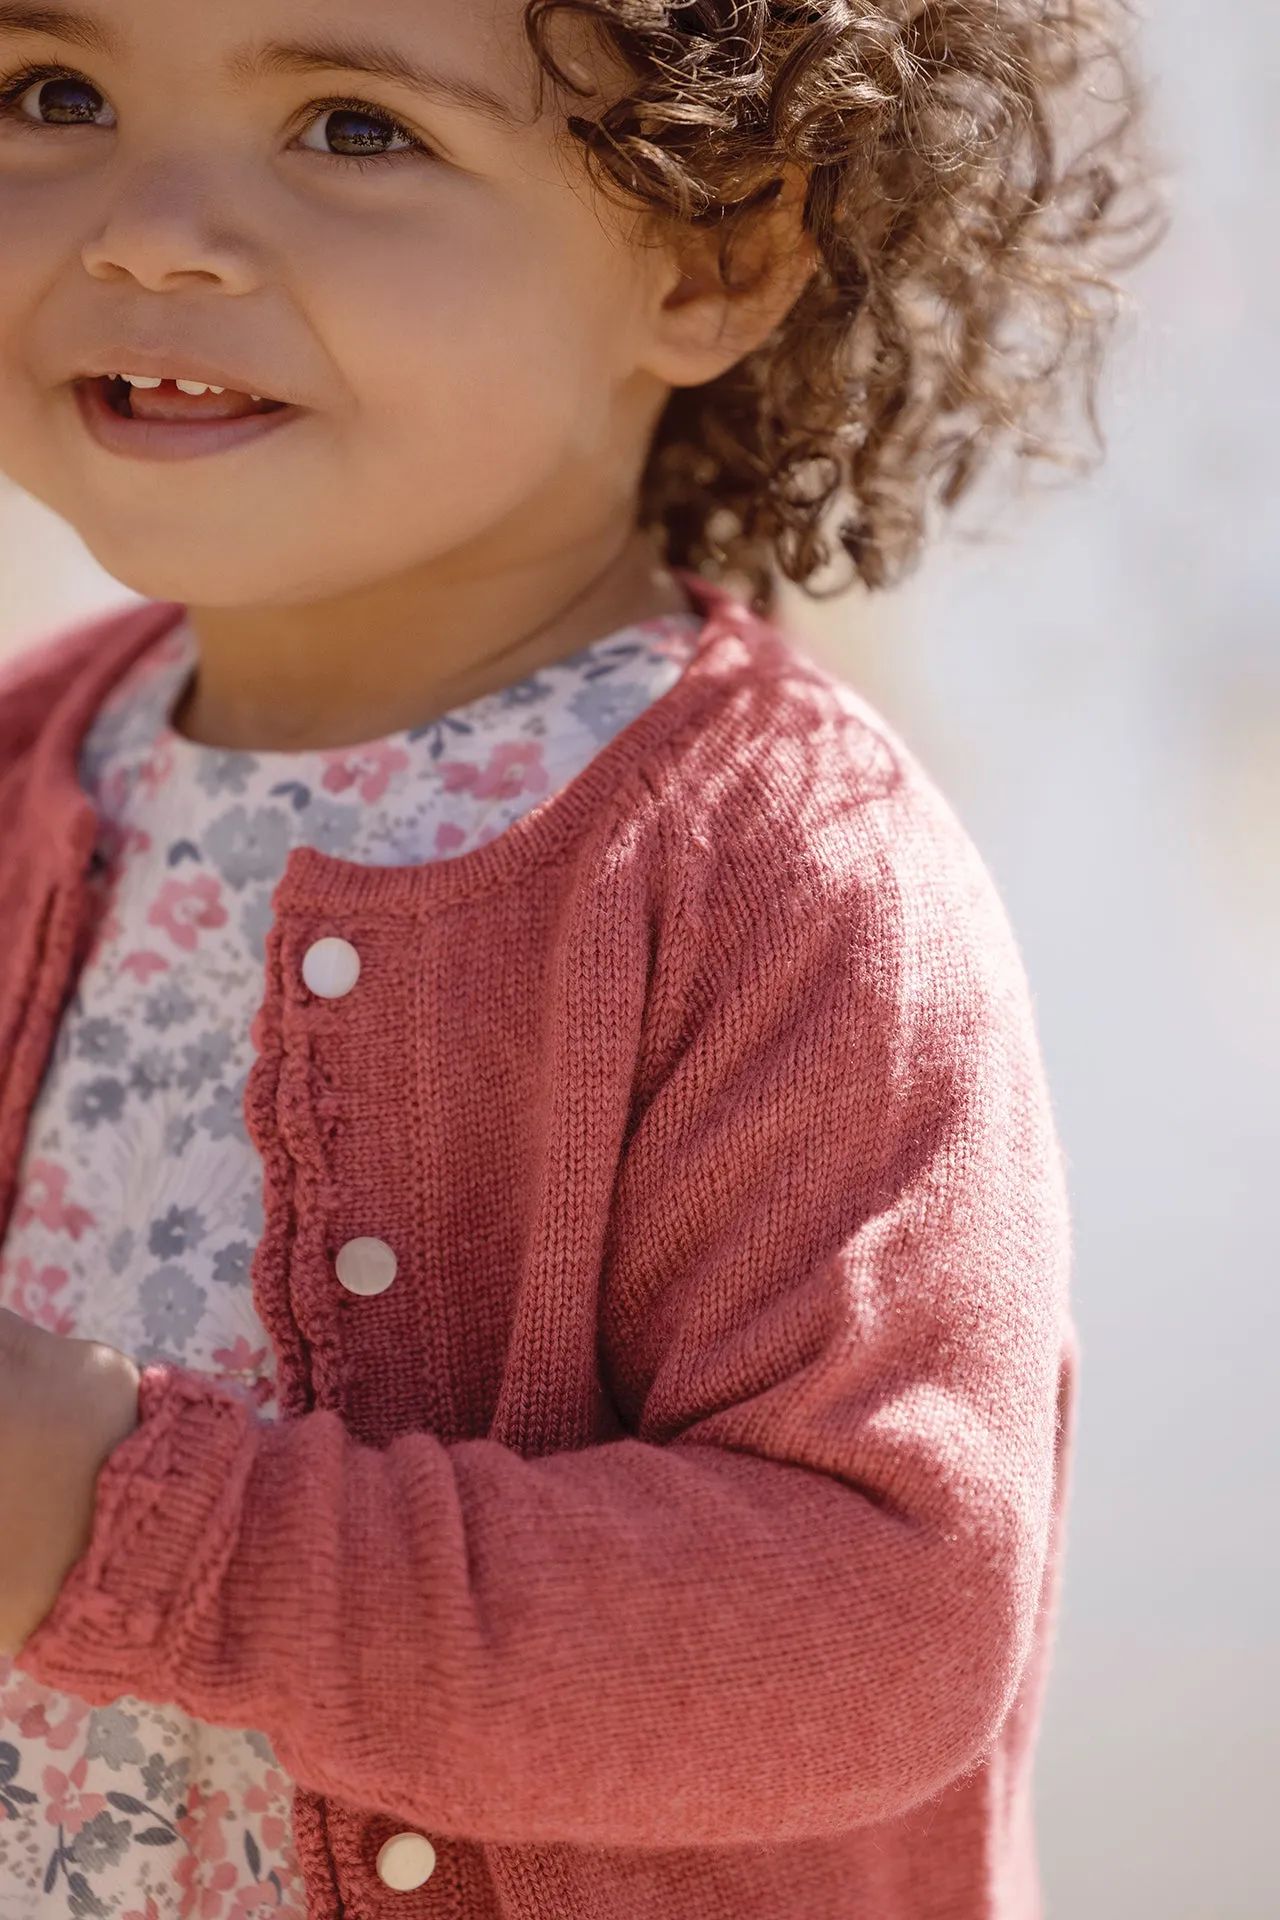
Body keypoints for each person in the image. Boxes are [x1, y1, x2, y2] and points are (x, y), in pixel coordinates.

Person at [0, 2, 1153, 1915]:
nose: (148, 229)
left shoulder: (785, 874)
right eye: (54, 93)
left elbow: (881, 1621)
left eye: (354, 129)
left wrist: (129, 1524)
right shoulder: (35, 761)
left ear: (713, 255)